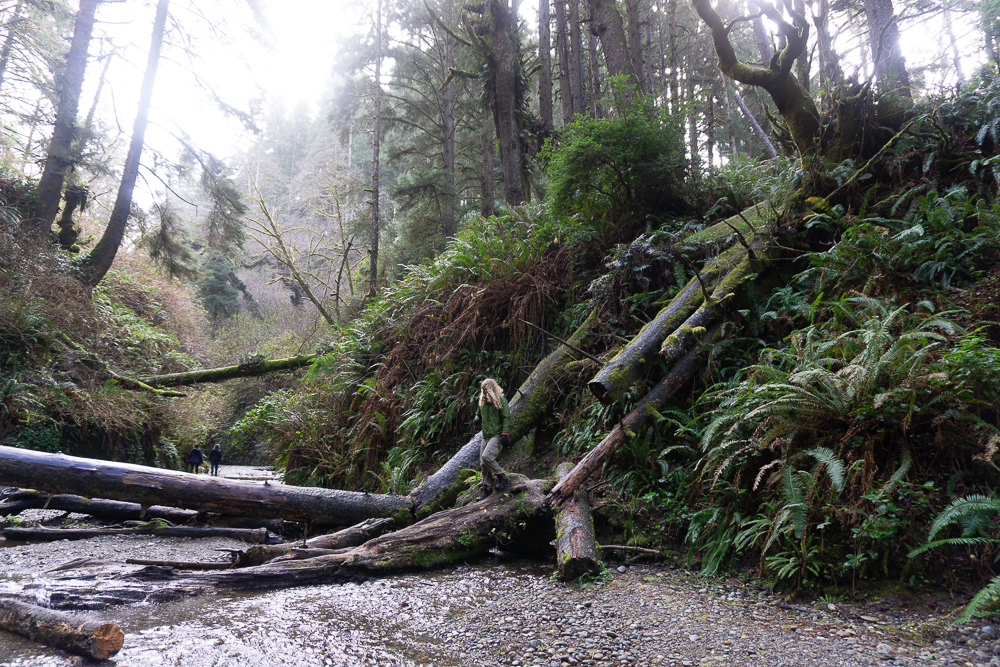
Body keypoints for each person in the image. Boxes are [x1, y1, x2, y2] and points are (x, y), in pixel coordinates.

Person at [475, 378, 510, 500]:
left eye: (486, 390)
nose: (483, 393)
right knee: (483, 463)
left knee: (487, 457)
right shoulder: (482, 401)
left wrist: (505, 434)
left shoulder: (501, 400)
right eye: (482, 390)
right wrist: (475, 420)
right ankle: (487, 489)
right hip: (486, 435)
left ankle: (502, 477)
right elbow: (478, 414)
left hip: (497, 434)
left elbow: (506, 417)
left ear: (491, 389)